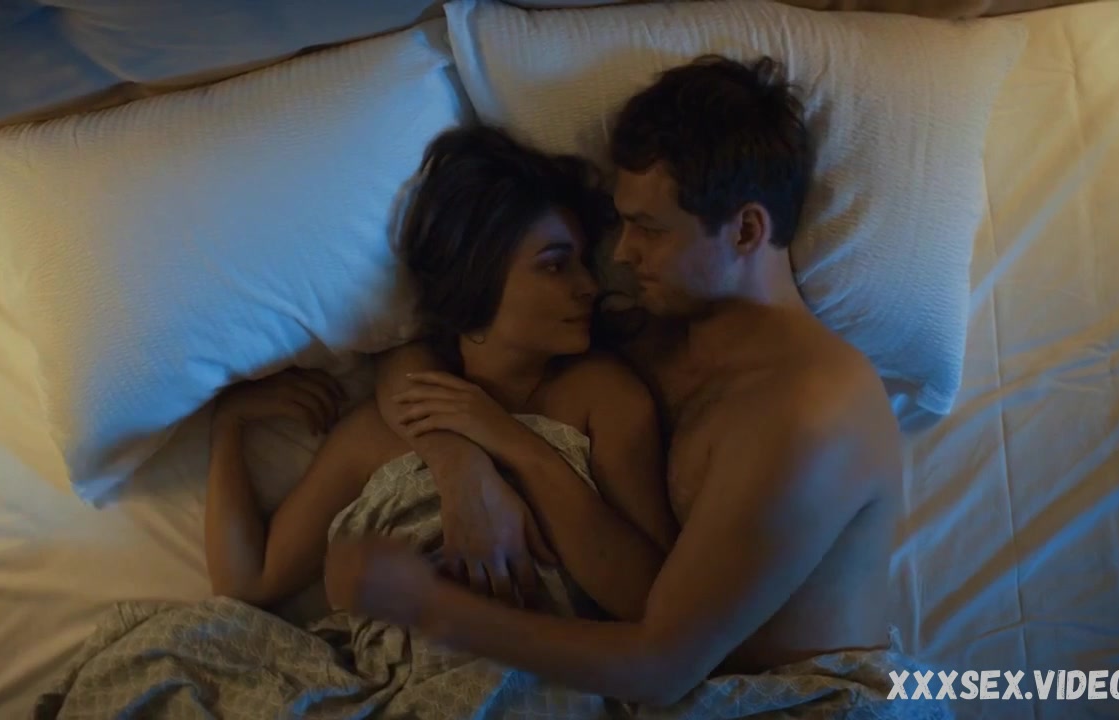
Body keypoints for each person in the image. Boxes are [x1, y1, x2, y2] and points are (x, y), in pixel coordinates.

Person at [326, 54, 904, 706]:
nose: (622, 254)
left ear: (746, 230)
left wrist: (424, 606)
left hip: (800, 704)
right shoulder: (654, 335)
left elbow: (659, 667)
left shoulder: (815, 410)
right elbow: (427, 350)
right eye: (624, 222)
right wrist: (459, 462)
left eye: (649, 229)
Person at [205, 125, 677, 624]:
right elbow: (247, 583)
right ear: (477, 276)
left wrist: (515, 444)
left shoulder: (602, 397)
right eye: (555, 266)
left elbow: (654, 604)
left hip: (545, 660)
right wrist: (227, 427)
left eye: (584, 263)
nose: (588, 286)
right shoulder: (382, 427)